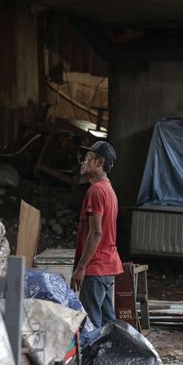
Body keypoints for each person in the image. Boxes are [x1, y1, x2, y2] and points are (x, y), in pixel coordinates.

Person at [70, 141, 123, 329]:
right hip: (107, 267)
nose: (82, 163)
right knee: (109, 325)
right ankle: (114, 357)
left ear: (100, 162)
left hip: (95, 268)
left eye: (87, 159)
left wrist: (81, 267)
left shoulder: (96, 191)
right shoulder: (108, 190)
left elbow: (96, 232)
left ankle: (95, 359)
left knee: (91, 327)